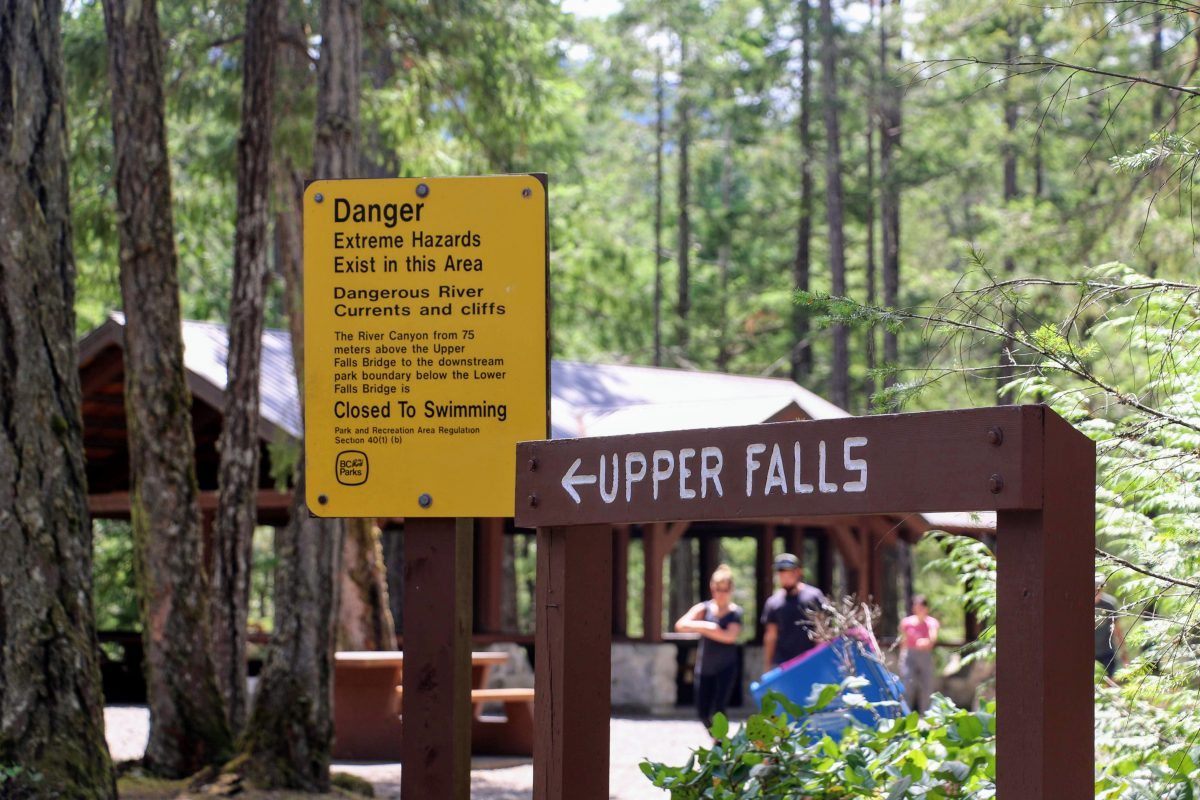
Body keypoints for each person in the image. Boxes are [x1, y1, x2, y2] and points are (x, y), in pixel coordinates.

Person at [675, 565, 744, 727]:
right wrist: (709, 627)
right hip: (705, 666)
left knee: (719, 709)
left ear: (730, 590)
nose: (720, 594)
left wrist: (705, 629)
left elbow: (729, 637)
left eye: (724, 590)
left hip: (726, 666)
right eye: (717, 590)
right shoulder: (704, 608)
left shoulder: (735, 612)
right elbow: (681, 625)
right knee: (702, 710)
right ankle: (717, 739)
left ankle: (721, 744)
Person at [760, 552, 827, 673]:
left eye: (788, 572)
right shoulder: (773, 603)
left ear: (798, 572)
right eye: (781, 573)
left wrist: (821, 659)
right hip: (782, 665)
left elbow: (821, 631)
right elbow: (771, 636)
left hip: (810, 662)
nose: (784, 577)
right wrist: (768, 666)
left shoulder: (814, 596)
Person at [899, 595, 940, 714]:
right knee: (908, 685)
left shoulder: (932, 622)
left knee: (927, 686)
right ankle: (905, 714)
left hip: (925, 656)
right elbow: (904, 640)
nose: (918, 610)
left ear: (926, 608)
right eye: (916, 607)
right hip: (909, 655)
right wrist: (902, 658)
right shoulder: (906, 622)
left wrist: (926, 641)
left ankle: (926, 714)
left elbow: (933, 638)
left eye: (921, 607)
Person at [1095, 577, 1127, 680]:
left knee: (1108, 681)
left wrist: (1123, 652)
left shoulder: (1109, 604)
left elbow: (1117, 630)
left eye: (1099, 588)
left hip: (1107, 651)